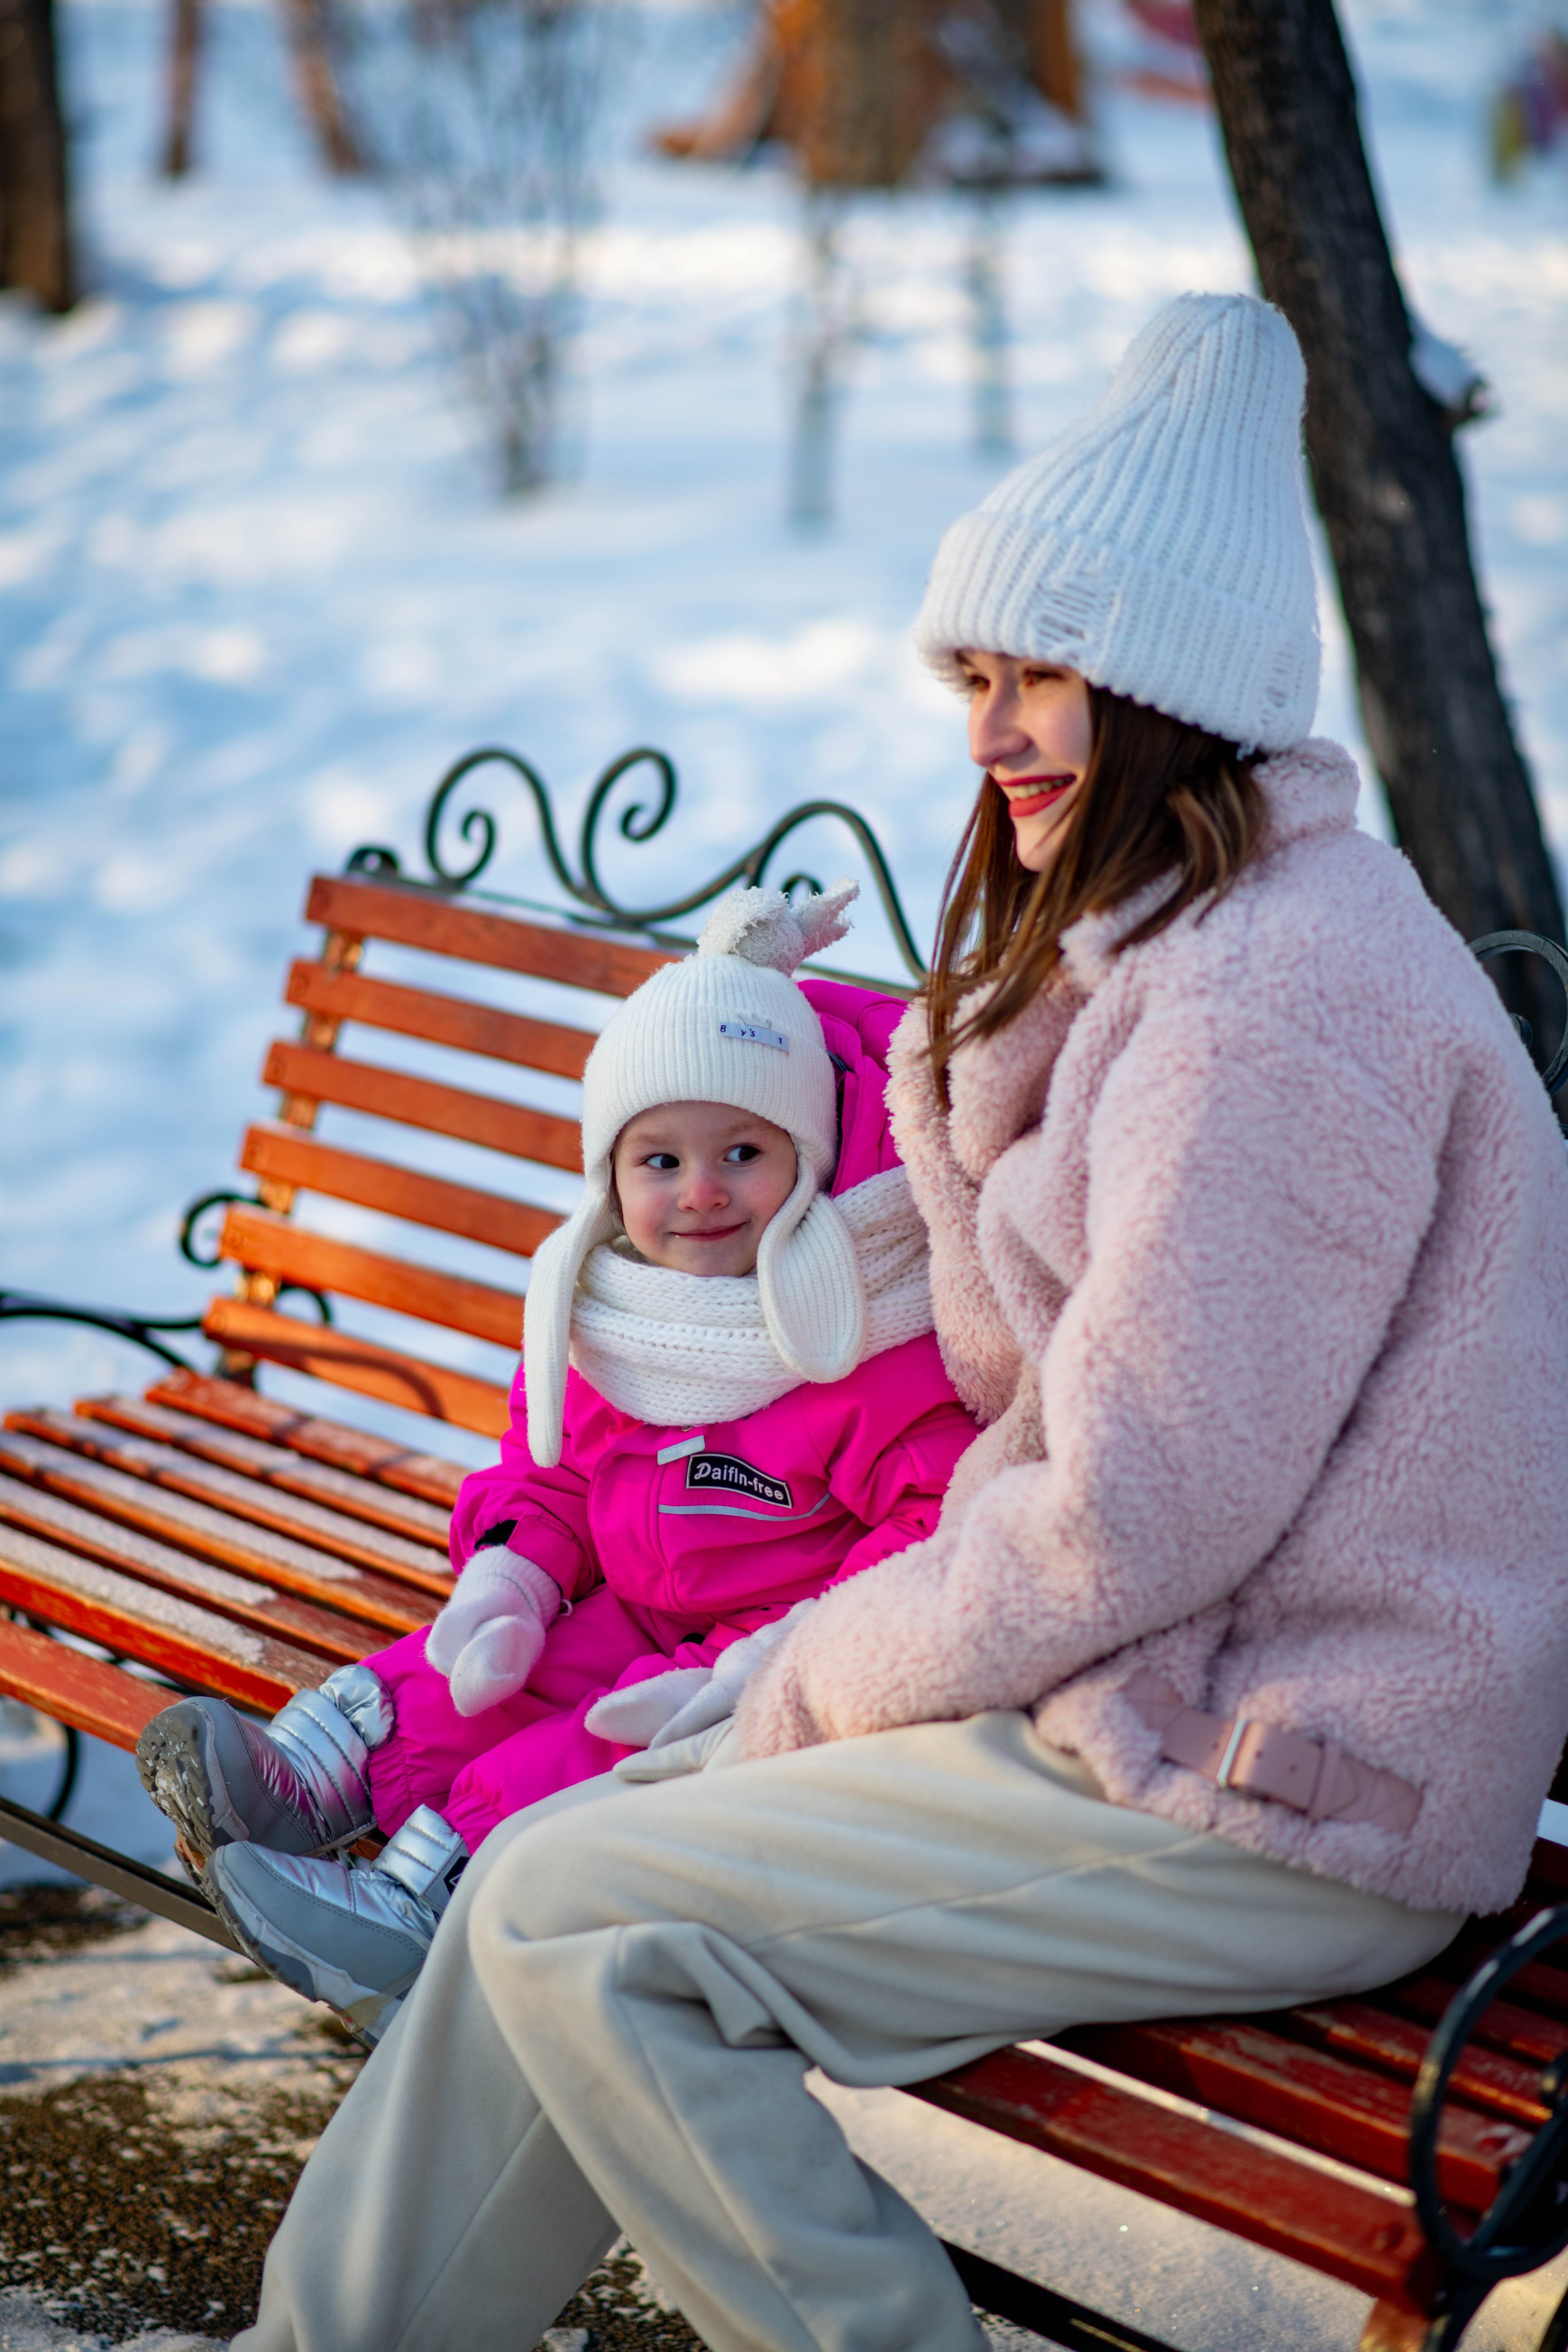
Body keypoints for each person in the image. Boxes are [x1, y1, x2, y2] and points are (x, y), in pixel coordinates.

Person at [231, 291, 1568, 2352]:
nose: (987, 730)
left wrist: (808, 1670)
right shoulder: (1173, 950)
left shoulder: (1274, 1013)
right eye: (975, 674)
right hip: (1148, 1702)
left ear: (1172, 684)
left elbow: (1136, 1509)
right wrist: (941, 1080)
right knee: (541, 1883)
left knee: (592, 1922)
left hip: (1290, 1776)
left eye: (1037, 676)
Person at [136, 880, 977, 2042]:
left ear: (812, 1159)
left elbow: (937, 1521)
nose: (703, 1193)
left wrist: (778, 1660)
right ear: (611, 1179)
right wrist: (512, 1574)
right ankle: (312, 1782)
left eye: (743, 1151)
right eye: (661, 1163)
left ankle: (421, 1896)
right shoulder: (609, 1310)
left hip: (755, 1645)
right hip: (629, 1596)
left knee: (593, 1740)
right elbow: (555, 1472)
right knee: (494, 1666)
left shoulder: (863, 1339)